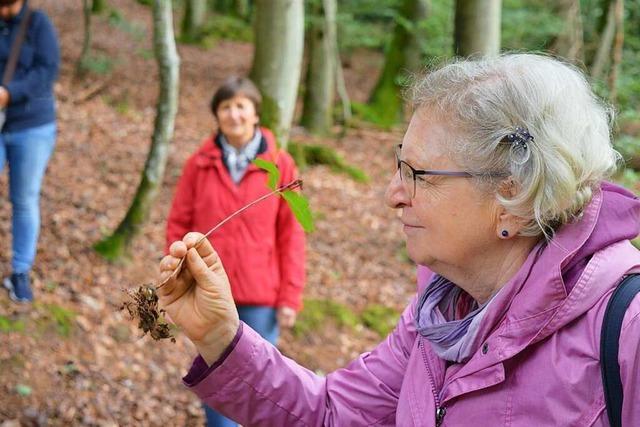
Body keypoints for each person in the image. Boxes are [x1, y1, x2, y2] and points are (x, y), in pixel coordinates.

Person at [159, 54, 640, 426]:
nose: (393, 195)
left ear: (511, 193)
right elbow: (330, 414)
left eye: (418, 174)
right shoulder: (439, 319)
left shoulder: (626, 332)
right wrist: (222, 337)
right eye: (397, 166)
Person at [165, 76, 306, 427]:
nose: (234, 114)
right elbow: (178, 221)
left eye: (241, 106)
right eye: (225, 107)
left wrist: (290, 295)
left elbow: (292, 234)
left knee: (258, 383)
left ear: (256, 114)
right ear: (217, 115)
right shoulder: (199, 163)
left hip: (260, 295)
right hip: (207, 290)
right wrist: (178, 275)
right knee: (218, 379)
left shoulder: (280, 164)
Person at [0, 0, 59, 303]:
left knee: (23, 198)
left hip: (31, 126)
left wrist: (9, 94)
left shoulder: (38, 24)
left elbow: (47, 71)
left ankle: (20, 272)